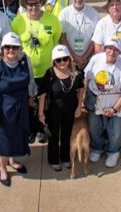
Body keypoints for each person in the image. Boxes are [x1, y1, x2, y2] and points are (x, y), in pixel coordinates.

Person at [0, 32, 35, 187]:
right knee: (3, 139)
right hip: (3, 110)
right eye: (7, 48)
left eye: (14, 47)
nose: (11, 50)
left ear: (19, 49)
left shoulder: (25, 61)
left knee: (17, 136)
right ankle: (3, 168)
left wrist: (31, 97)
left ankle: (12, 161)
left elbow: (30, 81)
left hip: (21, 108)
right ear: (3, 48)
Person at [10, 0, 62, 142]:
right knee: (28, 102)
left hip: (46, 71)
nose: (33, 7)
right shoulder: (17, 22)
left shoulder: (53, 20)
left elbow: (56, 39)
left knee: (44, 102)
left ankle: (41, 128)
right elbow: (14, 46)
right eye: (29, 5)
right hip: (26, 71)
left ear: (41, 4)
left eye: (36, 4)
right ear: (25, 5)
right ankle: (31, 129)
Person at [85, 38, 121, 168]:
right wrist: (84, 97)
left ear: (119, 52)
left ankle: (113, 152)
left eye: (115, 50)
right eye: (109, 48)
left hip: (115, 101)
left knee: (115, 130)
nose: (112, 52)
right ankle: (97, 148)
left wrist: (115, 109)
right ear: (104, 48)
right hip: (96, 98)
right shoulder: (96, 59)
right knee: (94, 127)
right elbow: (86, 78)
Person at [37, 44, 86, 172]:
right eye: (58, 60)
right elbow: (42, 94)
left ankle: (65, 158)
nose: (62, 62)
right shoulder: (50, 73)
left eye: (65, 59)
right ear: (54, 61)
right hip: (54, 111)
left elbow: (81, 89)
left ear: (69, 59)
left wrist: (79, 107)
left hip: (70, 110)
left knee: (66, 134)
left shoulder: (76, 73)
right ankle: (53, 160)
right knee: (53, 136)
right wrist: (41, 113)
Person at [59, 0, 99, 70]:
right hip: (69, 60)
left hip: (89, 59)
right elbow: (62, 38)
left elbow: (95, 39)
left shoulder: (94, 13)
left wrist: (84, 58)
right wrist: (75, 58)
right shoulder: (64, 14)